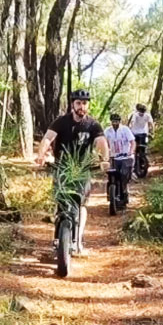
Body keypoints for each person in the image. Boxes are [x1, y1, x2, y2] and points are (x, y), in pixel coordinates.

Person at [34, 89, 108, 255]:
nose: (82, 106)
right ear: (72, 104)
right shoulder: (61, 122)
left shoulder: (93, 125)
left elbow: (101, 142)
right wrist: (41, 155)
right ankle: (57, 238)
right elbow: (48, 138)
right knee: (60, 201)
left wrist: (105, 160)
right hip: (61, 168)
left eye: (84, 103)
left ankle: (79, 240)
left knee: (81, 205)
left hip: (83, 170)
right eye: (78, 103)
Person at [105, 112, 136, 211]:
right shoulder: (107, 131)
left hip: (125, 158)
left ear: (119, 121)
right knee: (111, 176)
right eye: (113, 121)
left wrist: (130, 151)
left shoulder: (125, 130)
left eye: (117, 121)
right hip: (114, 158)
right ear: (111, 122)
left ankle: (124, 196)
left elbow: (132, 142)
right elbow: (104, 143)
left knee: (123, 177)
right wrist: (104, 154)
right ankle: (111, 195)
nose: (115, 123)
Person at [127, 103, 155, 179]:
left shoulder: (136, 115)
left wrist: (129, 129)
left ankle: (141, 161)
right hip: (141, 134)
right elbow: (151, 124)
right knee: (140, 148)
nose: (141, 113)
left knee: (140, 148)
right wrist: (152, 132)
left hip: (137, 134)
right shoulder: (144, 115)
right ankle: (139, 161)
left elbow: (131, 123)